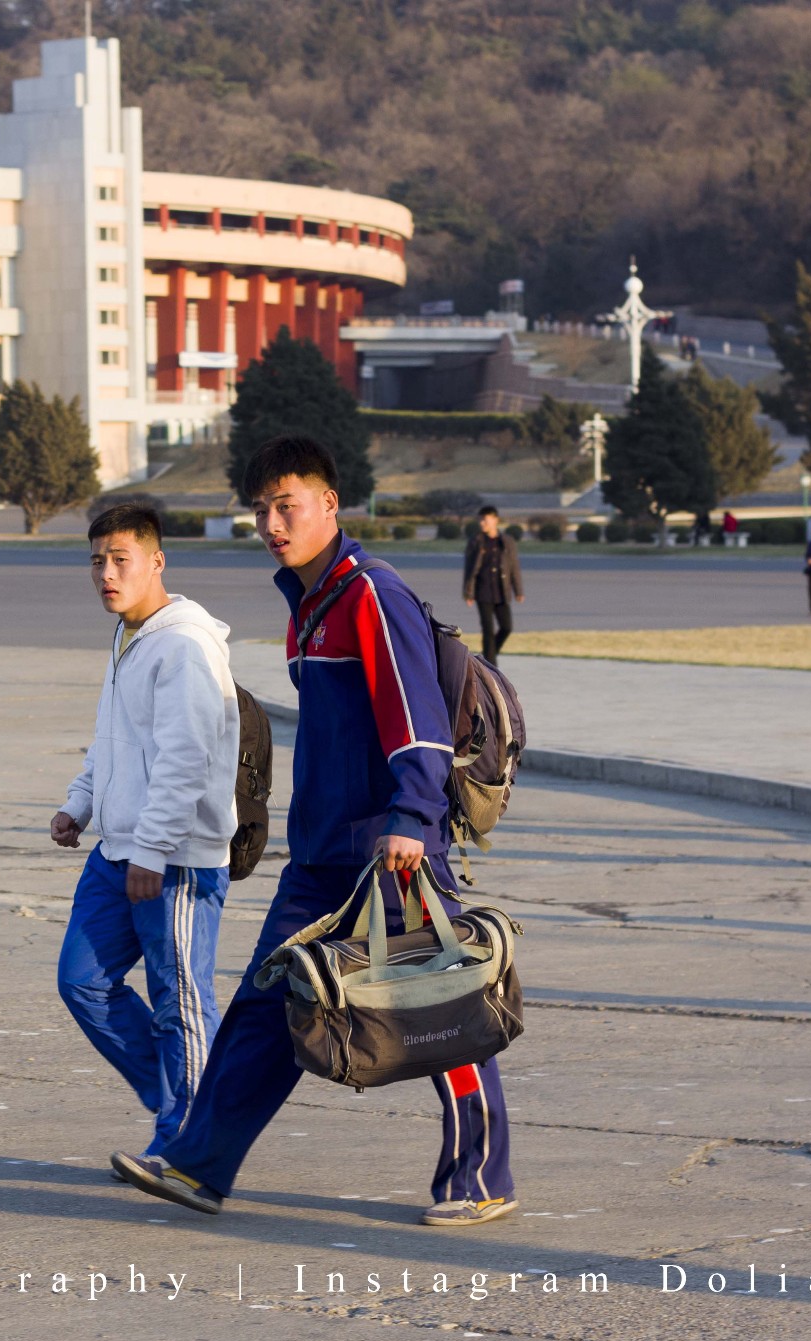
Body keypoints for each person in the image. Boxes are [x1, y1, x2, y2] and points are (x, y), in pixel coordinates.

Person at [114, 435, 517, 1230]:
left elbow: (418, 721)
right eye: (260, 508)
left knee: (442, 1002)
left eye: (286, 505)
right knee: (268, 1003)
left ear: (329, 505)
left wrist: (411, 818)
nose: (271, 521)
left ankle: (480, 1175)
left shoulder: (371, 593)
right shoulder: (311, 606)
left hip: (391, 847)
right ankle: (200, 1165)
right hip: (322, 854)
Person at [53, 503, 239, 1160]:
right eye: (97, 560)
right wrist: (80, 803)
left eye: (120, 559)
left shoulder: (183, 646)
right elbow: (114, 738)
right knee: (82, 980)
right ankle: (176, 1106)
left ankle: (193, 1146)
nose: (106, 572)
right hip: (117, 848)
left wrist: (156, 848)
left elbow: (186, 757)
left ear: (156, 561)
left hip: (175, 857)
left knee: (180, 999)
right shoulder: (130, 634)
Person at [463, 506, 524, 664]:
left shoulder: (507, 541)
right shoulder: (476, 541)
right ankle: (491, 666)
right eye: (481, 520)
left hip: (501, 591)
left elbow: (514, 567)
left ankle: (488, 656)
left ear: (495, 520)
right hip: (483, 591)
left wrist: (518, 590)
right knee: (488, 630)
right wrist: (468, 592)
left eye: (485, 519)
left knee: (506, 627)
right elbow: (469, 568)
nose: (482, 523)